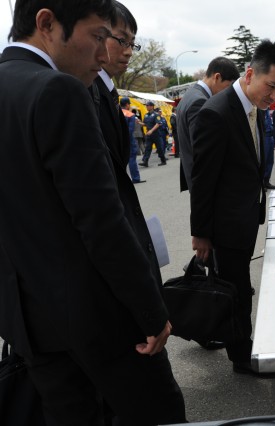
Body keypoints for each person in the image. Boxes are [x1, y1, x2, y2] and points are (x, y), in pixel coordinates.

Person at [0, 1, 186, 424]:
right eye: (98, 36)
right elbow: (101, 222)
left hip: (26, 319)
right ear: (47, 24)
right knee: (158, 414)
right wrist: (151, 312)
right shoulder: (58, 89)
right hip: (98, 317)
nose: (104, 55)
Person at [190, 39, 275, 376]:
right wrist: (201, 234)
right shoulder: (217, 113)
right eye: (271, 86)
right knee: (236, 287)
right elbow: (202, 181)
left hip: (244, 215)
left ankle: (237, 341)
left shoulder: (251, 107)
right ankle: (242, 355)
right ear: (250, 73)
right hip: (225, 223)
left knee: (238, 283)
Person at [90, 2, 144, 184]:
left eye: (132, 44)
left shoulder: (106, 89)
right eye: (122, 41)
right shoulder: (86, 90)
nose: (129, 52)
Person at [176, 56, 239, 192]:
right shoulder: (200, 102)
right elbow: (203, 151)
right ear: (217, 77)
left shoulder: (190, 95)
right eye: (227, 87)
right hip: (204, 182)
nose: (228, 93)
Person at [121, 97, 145, 183]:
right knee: (131, 158)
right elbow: (130, 130)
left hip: (118, 139)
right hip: (129, 139)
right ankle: (135, 178)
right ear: (127, 104)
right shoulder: (130, 115)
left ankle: (122, 181)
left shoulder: (116, 112)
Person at [140, 100, 167, 167]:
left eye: (148, 106)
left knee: (159, 148)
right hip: (149, 135)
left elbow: (158, 124)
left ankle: (163, 160)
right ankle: (145, 162)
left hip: (156, 134)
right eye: (146, 106)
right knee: (148, 148)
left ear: (152, 106)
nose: (146, 107)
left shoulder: (156, 114)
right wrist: (139, 122)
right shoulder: (146, 115)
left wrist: (151, 130)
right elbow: (145, 124)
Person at [263, 108, 275, 189]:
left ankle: (267, 181)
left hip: (270, 136)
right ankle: (262, 182)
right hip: (264, 135)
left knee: (270, 161)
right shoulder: (259, 109)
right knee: (264, 160)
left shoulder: (267, 110)